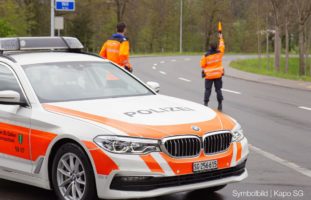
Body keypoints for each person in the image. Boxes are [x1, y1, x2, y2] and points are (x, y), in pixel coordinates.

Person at [200, 33, 225, 111]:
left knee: (208, 90)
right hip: (218, 75)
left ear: (210, 46)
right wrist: (221, 38)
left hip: (209, 76)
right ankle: (220, 104)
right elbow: (222, 46)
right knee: (218, 90)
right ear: (216, 46)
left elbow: (202, 65)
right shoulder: (220, 53)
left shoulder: (206, 55)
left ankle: (205, 104)